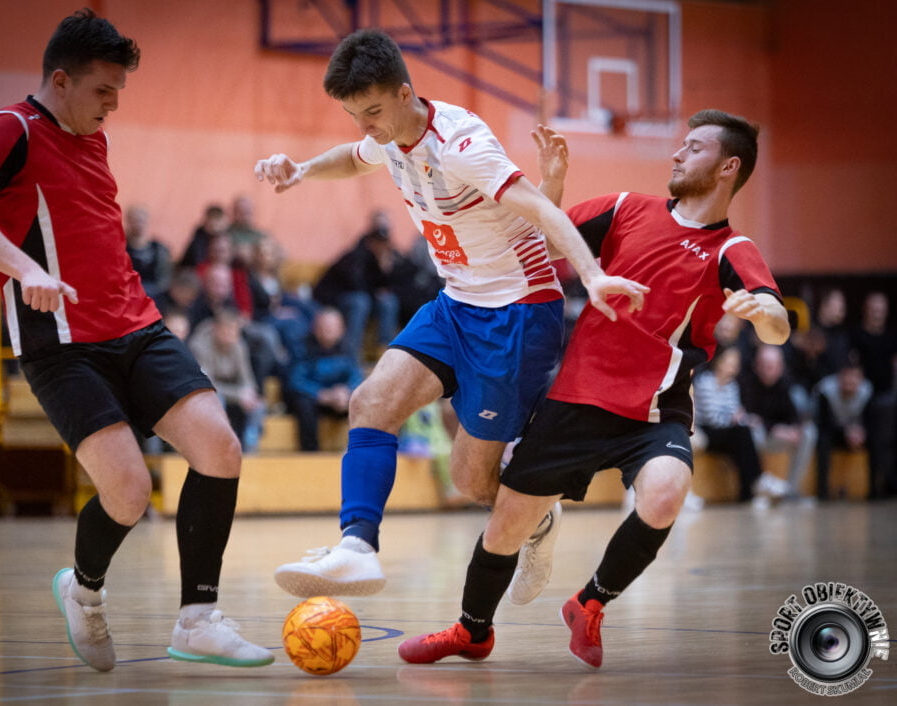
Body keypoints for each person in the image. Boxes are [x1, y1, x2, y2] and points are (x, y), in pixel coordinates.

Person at [254, 29, 646, 601]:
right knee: (371, 400)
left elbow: (537, 208)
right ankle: (357, 548)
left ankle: (538, 520)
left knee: (470, 481)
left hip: (517, 312)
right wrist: (303, 168)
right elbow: (355, 157)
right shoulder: (386, 134)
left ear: (406, 93)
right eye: (353, 114)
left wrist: (591, 275)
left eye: (373, 112)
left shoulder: (462, 146)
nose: (366, 127)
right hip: (458, 301)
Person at [396, 110, 789, 669]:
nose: (677, 154)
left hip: (656, 409)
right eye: (679, 144)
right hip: (578, 399)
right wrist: (549, 182)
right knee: (507, 523)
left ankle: (589, 602)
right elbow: (540, 243)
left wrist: (764, 313)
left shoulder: (732, 249)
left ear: (728, 167)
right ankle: (472, 630)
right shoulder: (627, 208)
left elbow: (777, 318)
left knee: (665, 493)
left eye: (693, 147)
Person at [0, 9, 272, 672]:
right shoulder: (10, 129)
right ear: (60, 81)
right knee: (127, 493)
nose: (113, 105)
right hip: (60, 344)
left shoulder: (95, 137)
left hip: (136, 325)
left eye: (120, 92)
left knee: (220, 446)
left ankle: (198, 619)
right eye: (103, 91)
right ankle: (84, 593)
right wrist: (27, 269)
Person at [693, 346, 777, 503]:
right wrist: (736, 419)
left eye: (736, 362)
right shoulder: (705, 382)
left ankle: (749, 492)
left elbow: (736, 415)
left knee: (745, 434)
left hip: (725, 431)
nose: (734, 365)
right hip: (705, 430)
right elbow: (712, 418)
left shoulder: (732, 385)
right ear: (719, 361)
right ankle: (758, 481)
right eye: (730, 361)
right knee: (741, 433)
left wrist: (746, 419)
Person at [312, 214, 402, 359]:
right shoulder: (356, 256)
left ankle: (384, 349)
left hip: (364, 298)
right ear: (370, 242)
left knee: (388, 301)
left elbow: (391, 286)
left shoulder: (388, 258)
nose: (381, 246)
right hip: (335, 299)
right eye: (378, 242)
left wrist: (385, 270)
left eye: (384, 243)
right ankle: (351, 354)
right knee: (360, 302)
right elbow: (355, 285)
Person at [740, 343, 817, 500]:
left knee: (809, 432)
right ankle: (757, 489)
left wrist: (794, 429)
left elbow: (795, 415)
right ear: (756, 366)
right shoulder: (745, 384)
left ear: (781, 366)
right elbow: (749, 418)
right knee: (750, 429)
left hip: (779, 437)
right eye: (765, 365)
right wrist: (775, 428)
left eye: (773, 365)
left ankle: (791, 490)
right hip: (758, 436)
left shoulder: (787, 384)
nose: (769, 370)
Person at [283, 307, 364, 451]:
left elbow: (357, 376)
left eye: (332, 327)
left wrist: (346, 391)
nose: (327, 330)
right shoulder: (301, 347)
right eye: (324, 326)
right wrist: (320, 394)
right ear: (315, 328)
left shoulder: (349, 348)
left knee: (363, 402)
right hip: (313, 399)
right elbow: (295, 380)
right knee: (303, 404)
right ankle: (310, 452)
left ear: (341, 329)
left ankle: (359, 450)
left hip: (339, 399)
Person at [188, 308, 264, 453]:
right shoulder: (199, 346)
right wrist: (238, 395)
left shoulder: (239, 346)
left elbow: (247, 379)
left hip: (230, 391)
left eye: (233, 331)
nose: (230, 334)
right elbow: (206, 384)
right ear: (216, 329)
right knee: (217, 400)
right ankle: (218, 448)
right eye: (226, 330)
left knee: (258, 406)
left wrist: (249, 393)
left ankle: (250, 449)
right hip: (203, 393)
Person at [849, 292, 897, 499]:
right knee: (873, 440)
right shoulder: (857, 334)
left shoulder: (891, 336)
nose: (878, 313)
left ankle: (887, 484)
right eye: (874, 309)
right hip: (862, 396)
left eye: (881, 309)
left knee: (886, 440)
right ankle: (873, 487)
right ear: (866, 310)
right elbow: (852, 365)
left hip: (887, 396)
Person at [813, 358, 872, 500]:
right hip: (832, 431)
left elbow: (870, 420)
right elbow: (823, 423)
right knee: (823, 441)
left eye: (854, 381)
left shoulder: (867, 390)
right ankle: (822, 491)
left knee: (878, 439)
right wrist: (846, 431)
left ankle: (875, 489)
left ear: (860, 379)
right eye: (846, 381)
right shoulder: (825, 390)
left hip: (856, 433)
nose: (850, 385)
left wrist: (861, 432)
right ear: (839, 378)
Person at [124, 204, 172, 299]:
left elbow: (165, 280)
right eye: (135, 220)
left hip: (153, 298)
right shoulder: (120, 248)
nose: (139, 224)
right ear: (128, 221)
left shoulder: (160, 250)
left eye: (142, 220)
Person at [179, 204, 229, 268]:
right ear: (206, 221)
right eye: (213, 220)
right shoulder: (198, 240)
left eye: (218, 220)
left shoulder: (227, 237)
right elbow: (197, 262)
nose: (215, 224)